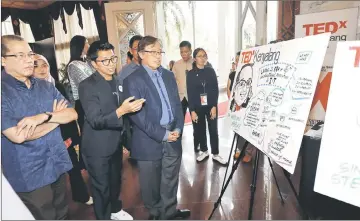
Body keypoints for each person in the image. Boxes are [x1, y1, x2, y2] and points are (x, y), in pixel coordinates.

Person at [1, 35, 77, 219]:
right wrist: (56, 119)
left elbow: (72, 114)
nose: (29, 60)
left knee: (63, 214)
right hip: (30, 173)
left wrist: (43, 117)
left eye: (29, 54)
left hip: (57, 162)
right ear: (3, 59)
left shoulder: (45, 85)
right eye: (19, 55)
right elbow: (18, 136)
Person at [123, 35, 191, 220]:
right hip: (149, 139)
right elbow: (138, 117)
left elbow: (177, 105)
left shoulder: (168, 75)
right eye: (153, 51)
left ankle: (169, 212)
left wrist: (177, 128)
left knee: (170, 179)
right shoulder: (132, 80)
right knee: (150, 184)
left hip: (173, 135)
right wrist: (162, 134)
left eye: (159, 51)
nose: (158, 55)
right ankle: (155, 215)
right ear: (141, 54)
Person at [79, 41, 145, 220]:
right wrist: (122, 110)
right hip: (97, 148)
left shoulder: (117, 80)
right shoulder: (87, 86)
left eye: (113, 58)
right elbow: (95, 120)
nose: (111, 64)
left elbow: (123, 111)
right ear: (94, 63)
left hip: (115, 143)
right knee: (101, 188)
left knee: (115, 182)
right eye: (105, 61)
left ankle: (115, 210)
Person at [32, 54, 93, 205]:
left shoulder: (56, 86)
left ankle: (81, 196)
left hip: (63, 137)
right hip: (41, 141)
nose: (42, 69)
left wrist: (69, 138)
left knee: (73, 169)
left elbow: (68, 114)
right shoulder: (28, 92)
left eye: (45, 65)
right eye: (36, 65)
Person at [186, 48, 227, 165]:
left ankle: (215, 153)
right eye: (199, 56)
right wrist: (192, 111)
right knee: (200, 130)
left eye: (204, 55)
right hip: (198, 107)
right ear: (194, 58)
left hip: (211, 106)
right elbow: (191, 93)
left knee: (213, 130)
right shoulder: (191, 74)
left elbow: (215, 90)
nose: (203, 58)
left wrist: (214, 106)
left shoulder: (211, 71)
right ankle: (204, 151)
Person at [65, 35, 93, 169]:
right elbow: (86, 82)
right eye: (86, 43)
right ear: (80, 46)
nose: (88, 45)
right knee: (87, 134)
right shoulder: (73, 65)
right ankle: (84, 162)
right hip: (82, 103)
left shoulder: (86, 62)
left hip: (92, 100)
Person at [117, 35, 143, 156]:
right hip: (134, 117)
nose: (139, 51)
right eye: (136, 48)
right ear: (130, 50)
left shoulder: (153, 68)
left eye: (142, 47)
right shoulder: (125, 72)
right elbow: (120, 95)